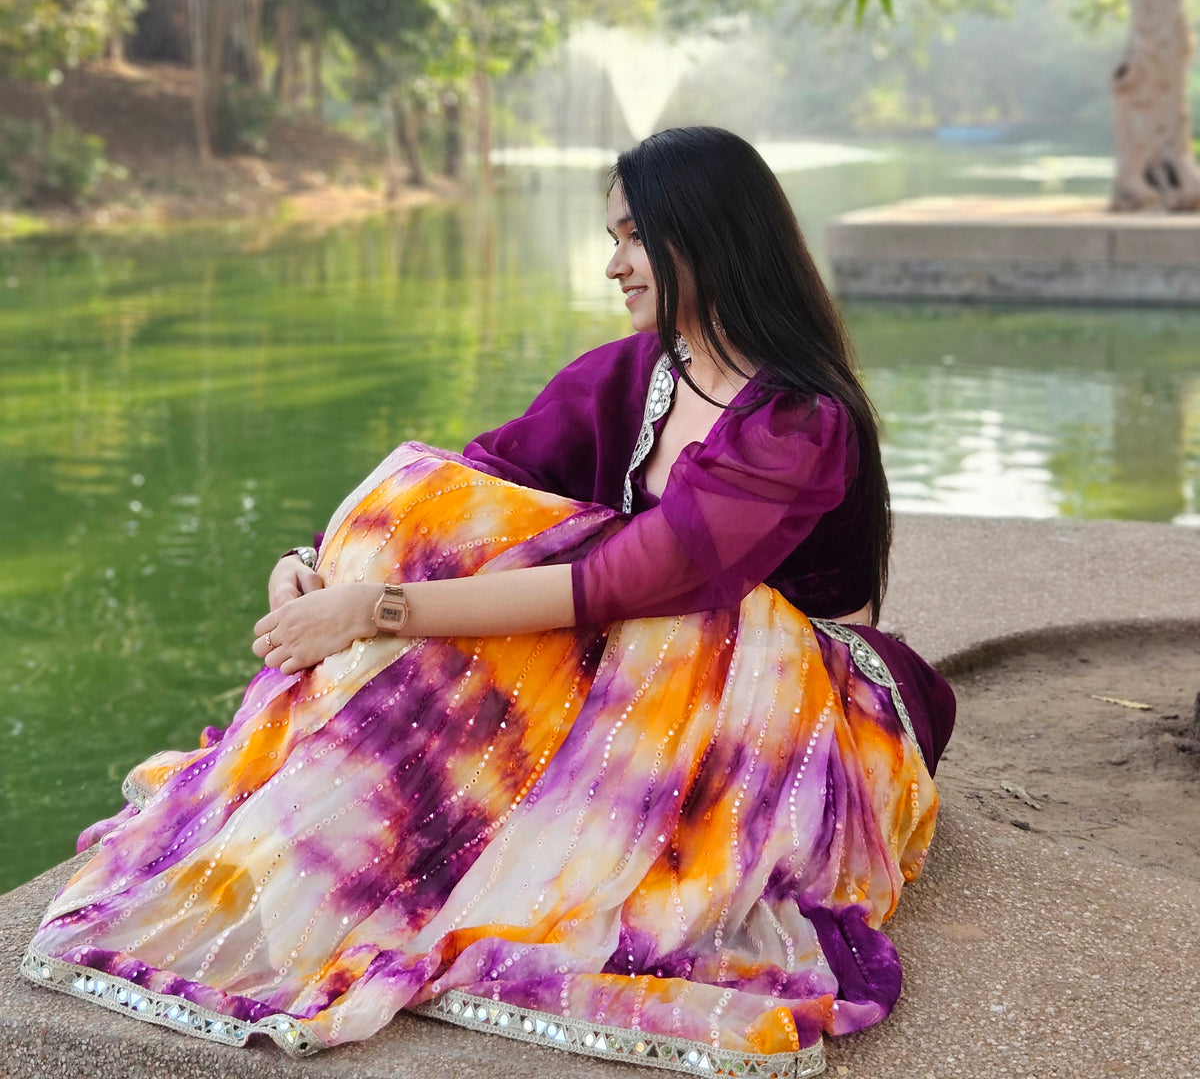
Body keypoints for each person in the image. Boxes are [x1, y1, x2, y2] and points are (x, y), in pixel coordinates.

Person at [22, 126, 953, 1076]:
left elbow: (640, 579)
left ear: (702, 238)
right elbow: (466, 490)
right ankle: (351, 831)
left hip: (799, 708)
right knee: (469, 511)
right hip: (650, 667)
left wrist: (379, 609)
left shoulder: (799, 420)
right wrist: (317, 562)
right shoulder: (635, 376)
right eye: (613, 239)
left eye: (632, 239)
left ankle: (428, 851)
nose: (612, 266)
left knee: (701, 618)